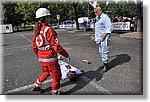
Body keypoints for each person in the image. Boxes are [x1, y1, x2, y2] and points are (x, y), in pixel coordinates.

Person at [32, 8, 71, 95]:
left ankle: (37, 84)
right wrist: (66, 54)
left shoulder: (37, 30)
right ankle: (55, 92)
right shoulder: (49, 29)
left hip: (42, 58)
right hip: (50, 59)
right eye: (48, 17)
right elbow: (56, 46)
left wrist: (39, 55)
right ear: (45, 18)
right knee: (56, 76)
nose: (49, 19)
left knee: (46, 72)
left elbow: (34, 46)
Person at [90, 6, 112, 73]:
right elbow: (99, 28)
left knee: (104, 52)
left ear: (100, 11)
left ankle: (106, 66)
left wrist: (104, 35)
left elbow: (110, 27)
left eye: (96, 12)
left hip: (104, 38)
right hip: (99, 38)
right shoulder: (98, 18)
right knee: (101, 52)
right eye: (94, 12)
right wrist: (95, 35)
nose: (95, 13)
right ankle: (104, 63)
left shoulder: (105, 17)